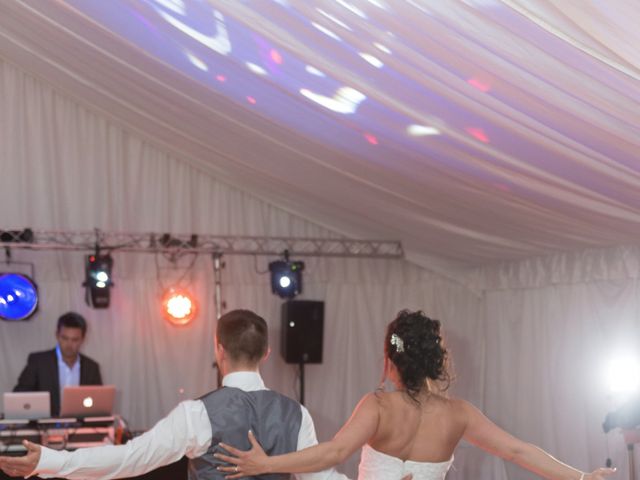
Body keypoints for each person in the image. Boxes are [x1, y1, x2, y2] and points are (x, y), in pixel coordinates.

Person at [214, 310, 617, 480]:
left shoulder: (378, 406)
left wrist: (266, 465)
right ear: (435, 359)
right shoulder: (459, 414)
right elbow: (518, 451)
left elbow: (333, 453)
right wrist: (581, 476)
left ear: (390, 358)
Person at [0, 309, 355, 480]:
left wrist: (52, 461)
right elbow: (324, 478)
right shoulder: (296, 414)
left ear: (218, 349)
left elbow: (131, 459)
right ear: (266, 352)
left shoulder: (197, 413)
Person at [14, 311, 102, 416]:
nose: (69, 345)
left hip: (80, 426)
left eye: (75, 340)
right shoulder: (39, 362)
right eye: (64, 338)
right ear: (57, 335)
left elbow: (98, 404)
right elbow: (19, 395)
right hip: (45, 426)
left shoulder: (91, 367)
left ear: (83, 339)